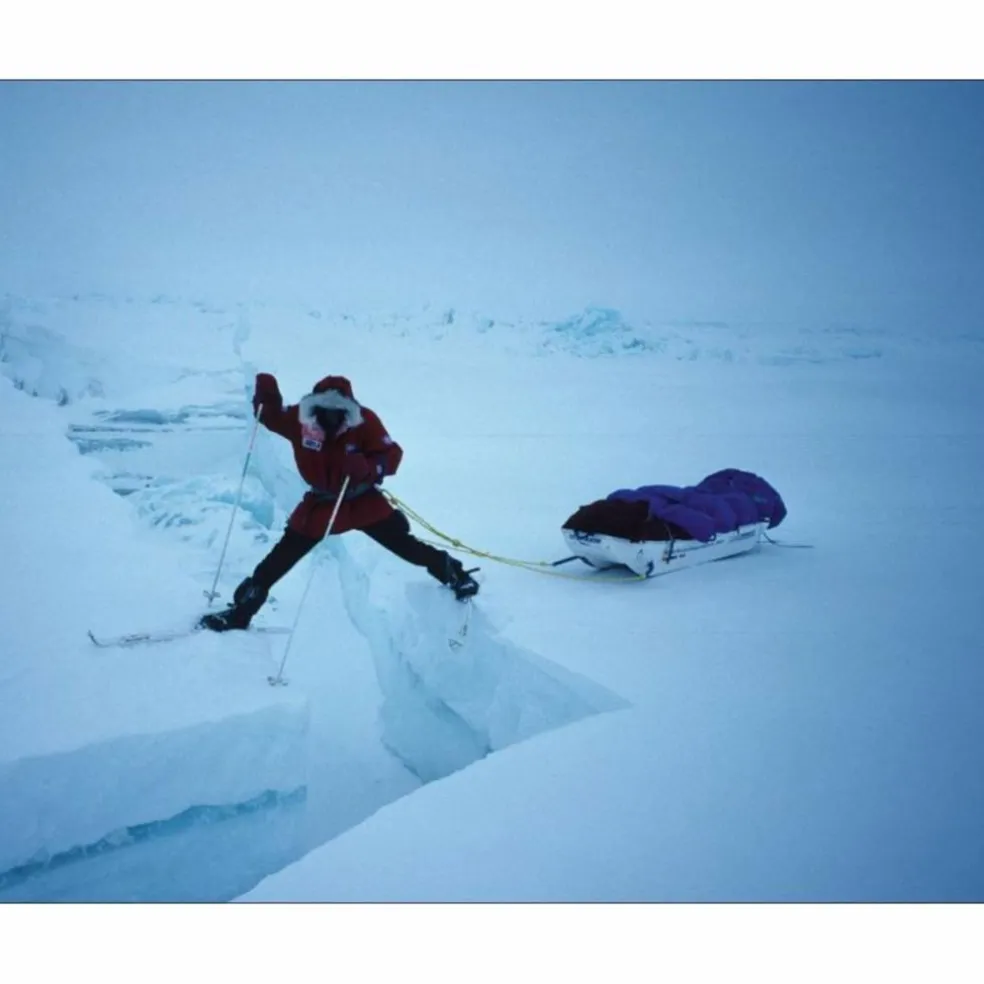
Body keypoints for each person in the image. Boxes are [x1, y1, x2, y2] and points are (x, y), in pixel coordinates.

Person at [199, 372, 479, 632]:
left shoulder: (365, 421)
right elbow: (271, 418)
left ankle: (455, 574)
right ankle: (241, 613)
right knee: (278, 560)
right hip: (320, 508)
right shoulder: (300, 420)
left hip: (363, 503)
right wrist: (267, 398)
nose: (331, 414)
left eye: (338, 409)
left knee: (407, 547)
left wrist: (369, 467)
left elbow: (392, 455)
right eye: (325, 407)